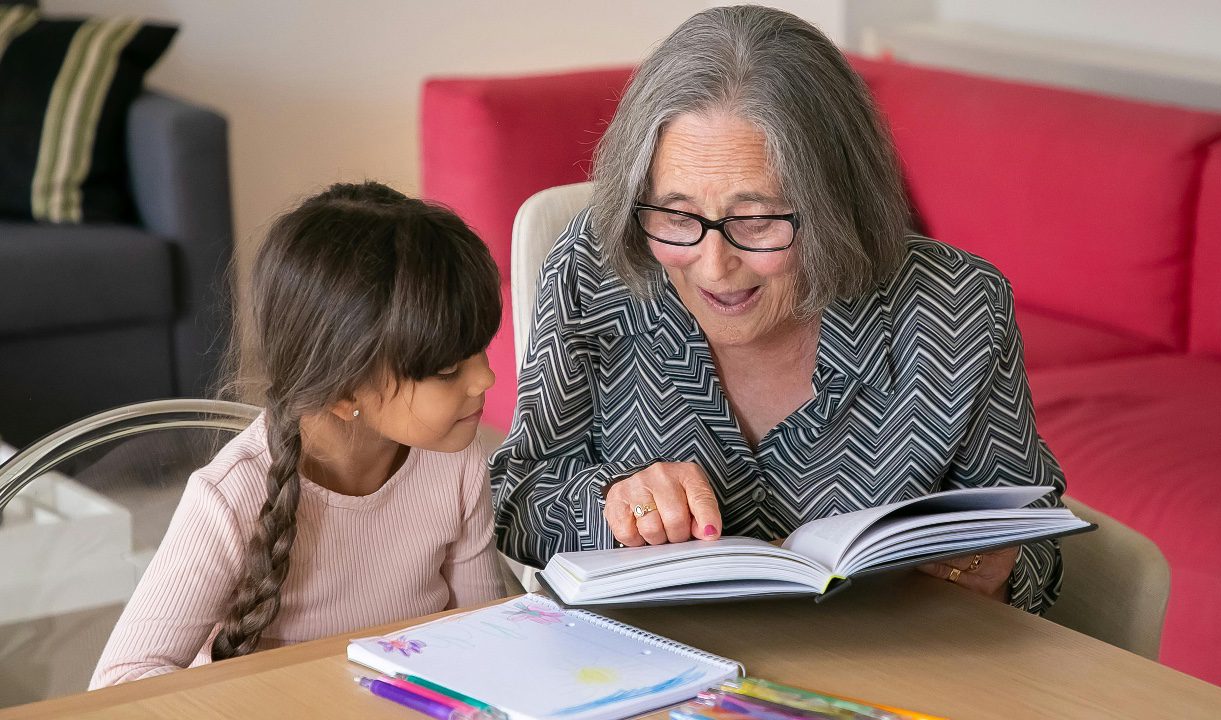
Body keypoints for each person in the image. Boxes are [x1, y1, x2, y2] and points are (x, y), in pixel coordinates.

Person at [490, 6, 1067, 614]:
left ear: (835, 206)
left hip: (887, 672)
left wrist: (992, 568)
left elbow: (1033, 534)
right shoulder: (597, 269)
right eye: (678, 217)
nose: (713, 267)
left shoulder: (956, 306)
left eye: (758, 221)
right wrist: (610, 503)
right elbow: (518, 494)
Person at [92, 182, 506, 687]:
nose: (485, 379)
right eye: (446, 369)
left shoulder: (455, 459)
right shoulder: (231, 498)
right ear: (343, 391)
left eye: (480, 349)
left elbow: (488, 638)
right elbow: (118, 685)